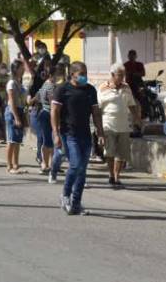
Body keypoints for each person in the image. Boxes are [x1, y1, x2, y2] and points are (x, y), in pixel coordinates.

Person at [52, 62, 102, 215]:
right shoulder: (62, 89)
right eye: (81, 73)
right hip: (69, 134)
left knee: (82, 170)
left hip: (86, 134)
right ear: (73, 74)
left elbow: (96, 112)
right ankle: (65, 195)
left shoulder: (90, 90)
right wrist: (56, 133)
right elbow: (54, 112)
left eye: (85, 73)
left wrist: (100, 132)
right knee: (75, 165)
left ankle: (76, 203)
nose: (84, 77)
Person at [98, 63, 140, 188]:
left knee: (122, 153)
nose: (122, 77)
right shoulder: (102, 88)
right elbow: (98, 108)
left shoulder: (126, 87)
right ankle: (111, 175)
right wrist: (98, 127)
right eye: (120, 75)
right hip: (108, 124)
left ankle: (117, 176)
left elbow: (131, 104)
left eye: (123, 75)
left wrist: (137, 118)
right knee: (110, 152)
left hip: (123, 125)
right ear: (112, 75)